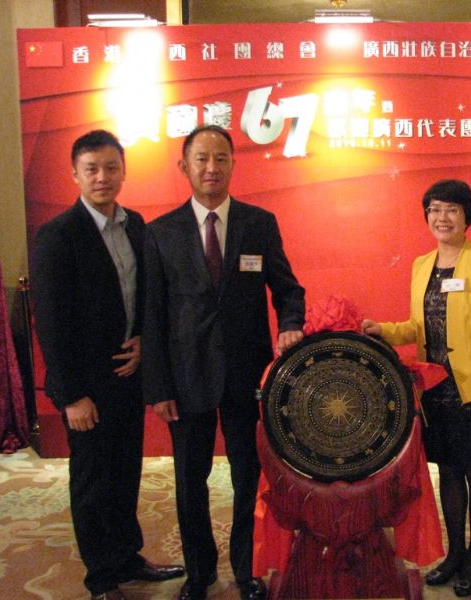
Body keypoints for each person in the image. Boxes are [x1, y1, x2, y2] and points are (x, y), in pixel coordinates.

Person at [142, 125, 306, 600]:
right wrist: (158, 387)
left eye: (220, 158)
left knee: (247, 478)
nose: (211, 167)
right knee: (189, 482)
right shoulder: (161, 232)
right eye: (201, 159)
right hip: (186, 377)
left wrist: (290, 323)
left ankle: (246, 569)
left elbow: (288, 288)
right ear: (184, 166)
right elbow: (152, 315)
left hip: (246, 374)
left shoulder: (259, 223)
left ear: (234, 164)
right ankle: (199, 574)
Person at [30, 130, 185, 600]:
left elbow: (148, 296)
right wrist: (70, 395)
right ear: (75, 174)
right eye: (92, 169)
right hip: (87, 387)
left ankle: (127, 557)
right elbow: (50, 322)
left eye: (111, 167)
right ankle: (101, 578)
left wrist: (144, 343)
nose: (102, 177)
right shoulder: (57, 235)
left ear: (123, 171)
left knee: (125, 470)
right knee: (92, 479)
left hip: (128, 375)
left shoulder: (136, 225)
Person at [362, 179, 471, 597]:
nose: (441, 217)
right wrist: (383, 330)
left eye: (451, 209)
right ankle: (455, 553)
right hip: (436, 391)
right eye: (434, 209)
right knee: (447, 472)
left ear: (467, 216)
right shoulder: (421, 265)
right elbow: (419, 326)